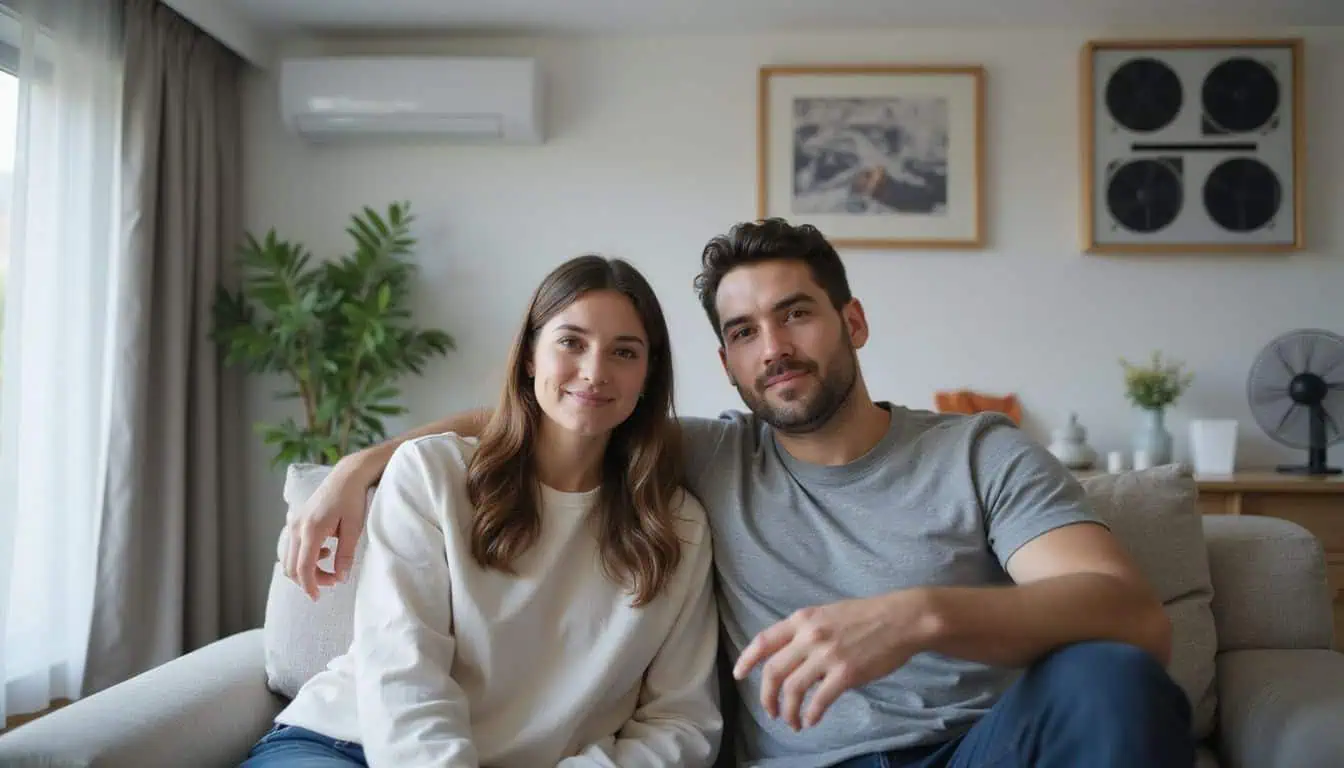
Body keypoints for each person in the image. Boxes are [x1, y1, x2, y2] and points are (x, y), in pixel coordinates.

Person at [283, 219, 1196, 768]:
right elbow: (560, 407)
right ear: (724, 362)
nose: (775, 347)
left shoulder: (979, 453)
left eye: (796, 313)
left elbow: (1132, 616)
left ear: (853, 320)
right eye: (744, 330)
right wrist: (371, 459)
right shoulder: (713, 459)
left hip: (975, 749)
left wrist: (917, 617)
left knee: (1111, 674)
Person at [246, 255, 723, 767]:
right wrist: (354, 468)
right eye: (571, 342)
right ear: (529, 358)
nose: (594, 371)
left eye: (624, 352)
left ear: (649, 374)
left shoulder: (678, 528)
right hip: (351, 744)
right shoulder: (433, 474)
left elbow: (682, 720)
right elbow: (404, 671)